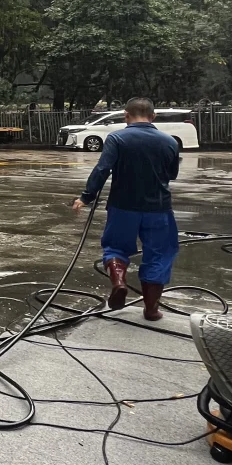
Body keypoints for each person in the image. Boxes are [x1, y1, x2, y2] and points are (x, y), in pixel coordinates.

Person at [71, 96, 179, 321]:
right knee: (159, 254)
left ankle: (119, 282)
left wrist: (86, 197)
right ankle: (151, 310)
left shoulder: (117, 138)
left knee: (115, 248)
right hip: (158, 209)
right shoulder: (169, 141)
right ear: (153, 116)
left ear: (126, 116)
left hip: (123, 207)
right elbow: (172, 175)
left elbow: (102, 169)